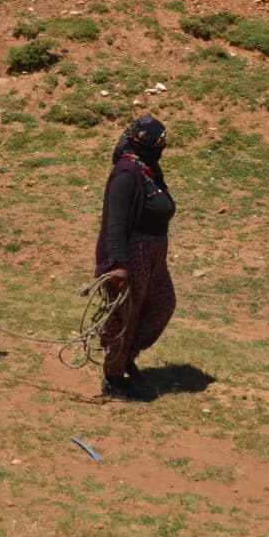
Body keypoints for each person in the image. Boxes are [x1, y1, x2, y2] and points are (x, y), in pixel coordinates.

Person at [94, 115, 177, 399]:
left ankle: (127, 355)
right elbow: (114, 222)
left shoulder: (148, 169)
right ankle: (113, 376)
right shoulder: (126, 174)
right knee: (124, 315)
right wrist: (118, 264)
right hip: (132, 253)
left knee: (162, 304)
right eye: (157, 143)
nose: (161, 147)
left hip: (154, 253)